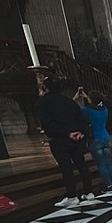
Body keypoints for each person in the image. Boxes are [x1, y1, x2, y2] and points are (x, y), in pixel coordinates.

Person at [38, 77, 95, 206]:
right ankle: (88, 191)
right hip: (76, 138)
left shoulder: (43, 102)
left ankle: (71, 195)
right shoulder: (69, 102)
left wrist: (67, 133)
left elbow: (47, 124)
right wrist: (80, 132)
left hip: (59, 139)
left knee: (66, 168)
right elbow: (81, 119)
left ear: (45, 88)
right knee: (81, 165)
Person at [75, 89, 112, 191]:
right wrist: (88, 97)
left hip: (95, 139)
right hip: (106, 137)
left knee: (101, 164)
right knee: (109, 163)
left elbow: (74, 108)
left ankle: (108, 185)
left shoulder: (87, 111)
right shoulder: (105, 110)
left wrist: (76, 98)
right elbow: (96, 102)